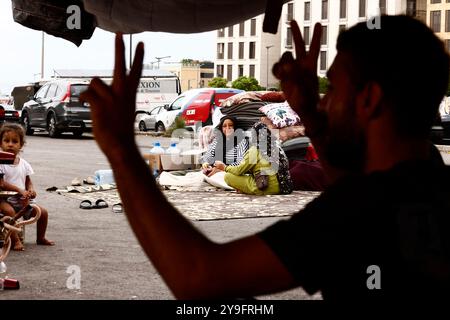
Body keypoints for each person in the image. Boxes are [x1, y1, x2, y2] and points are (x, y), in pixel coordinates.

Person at [80, 15, 450, 300]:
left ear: (369, 99)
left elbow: (199, 276)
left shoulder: (360, 211)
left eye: (334, 89)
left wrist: (121, 150)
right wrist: (307, 110)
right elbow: (351, 184)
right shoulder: (430, 176)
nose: (325, 101)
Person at [0, 124, 54, 251]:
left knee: (43, 213)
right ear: (1, 143)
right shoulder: (1, 163)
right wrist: (19, 190)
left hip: (22, 201)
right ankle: (15, 240)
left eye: (15, 141)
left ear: (21, 145)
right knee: (9, 212)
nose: (10, 144)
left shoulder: (24, 164)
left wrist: (30, 190)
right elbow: (1, 183)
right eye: (6, 141)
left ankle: (41, 238)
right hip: (4, 200)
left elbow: (28, 181)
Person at [213, 122, 293, 195]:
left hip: (265, 187)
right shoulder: (277, 147)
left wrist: (224, 167)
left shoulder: (255, 150)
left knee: (228, 176)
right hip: (283, 188)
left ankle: (245, 189)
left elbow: (239, 170)